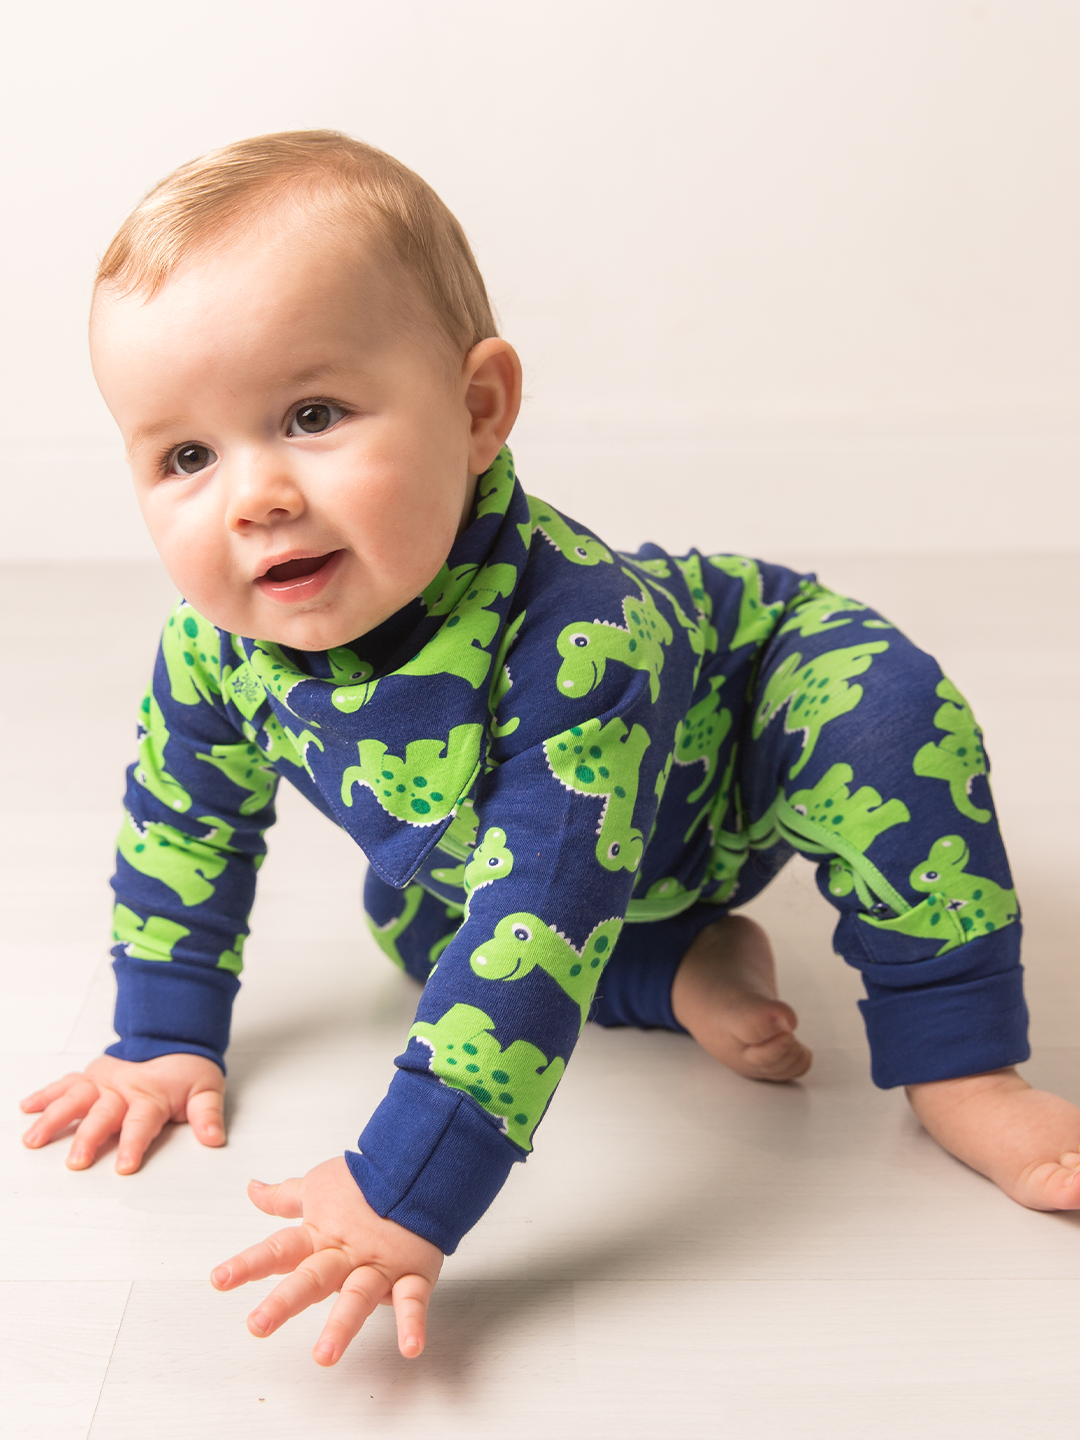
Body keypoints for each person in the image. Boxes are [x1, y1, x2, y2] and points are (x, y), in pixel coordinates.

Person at [20, 131, 1080, 1367]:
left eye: (311, 416)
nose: (253, 496)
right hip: (556, 857)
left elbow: (535, 923)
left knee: (888, 721)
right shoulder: (214, 647)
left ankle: (964, 1067)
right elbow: (182, 824)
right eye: (187, 456)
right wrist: (162, 1037)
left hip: (736, 742)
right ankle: (674, 967)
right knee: (412, 921)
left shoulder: (581, 642)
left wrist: (406, 1186)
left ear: (478, 411)